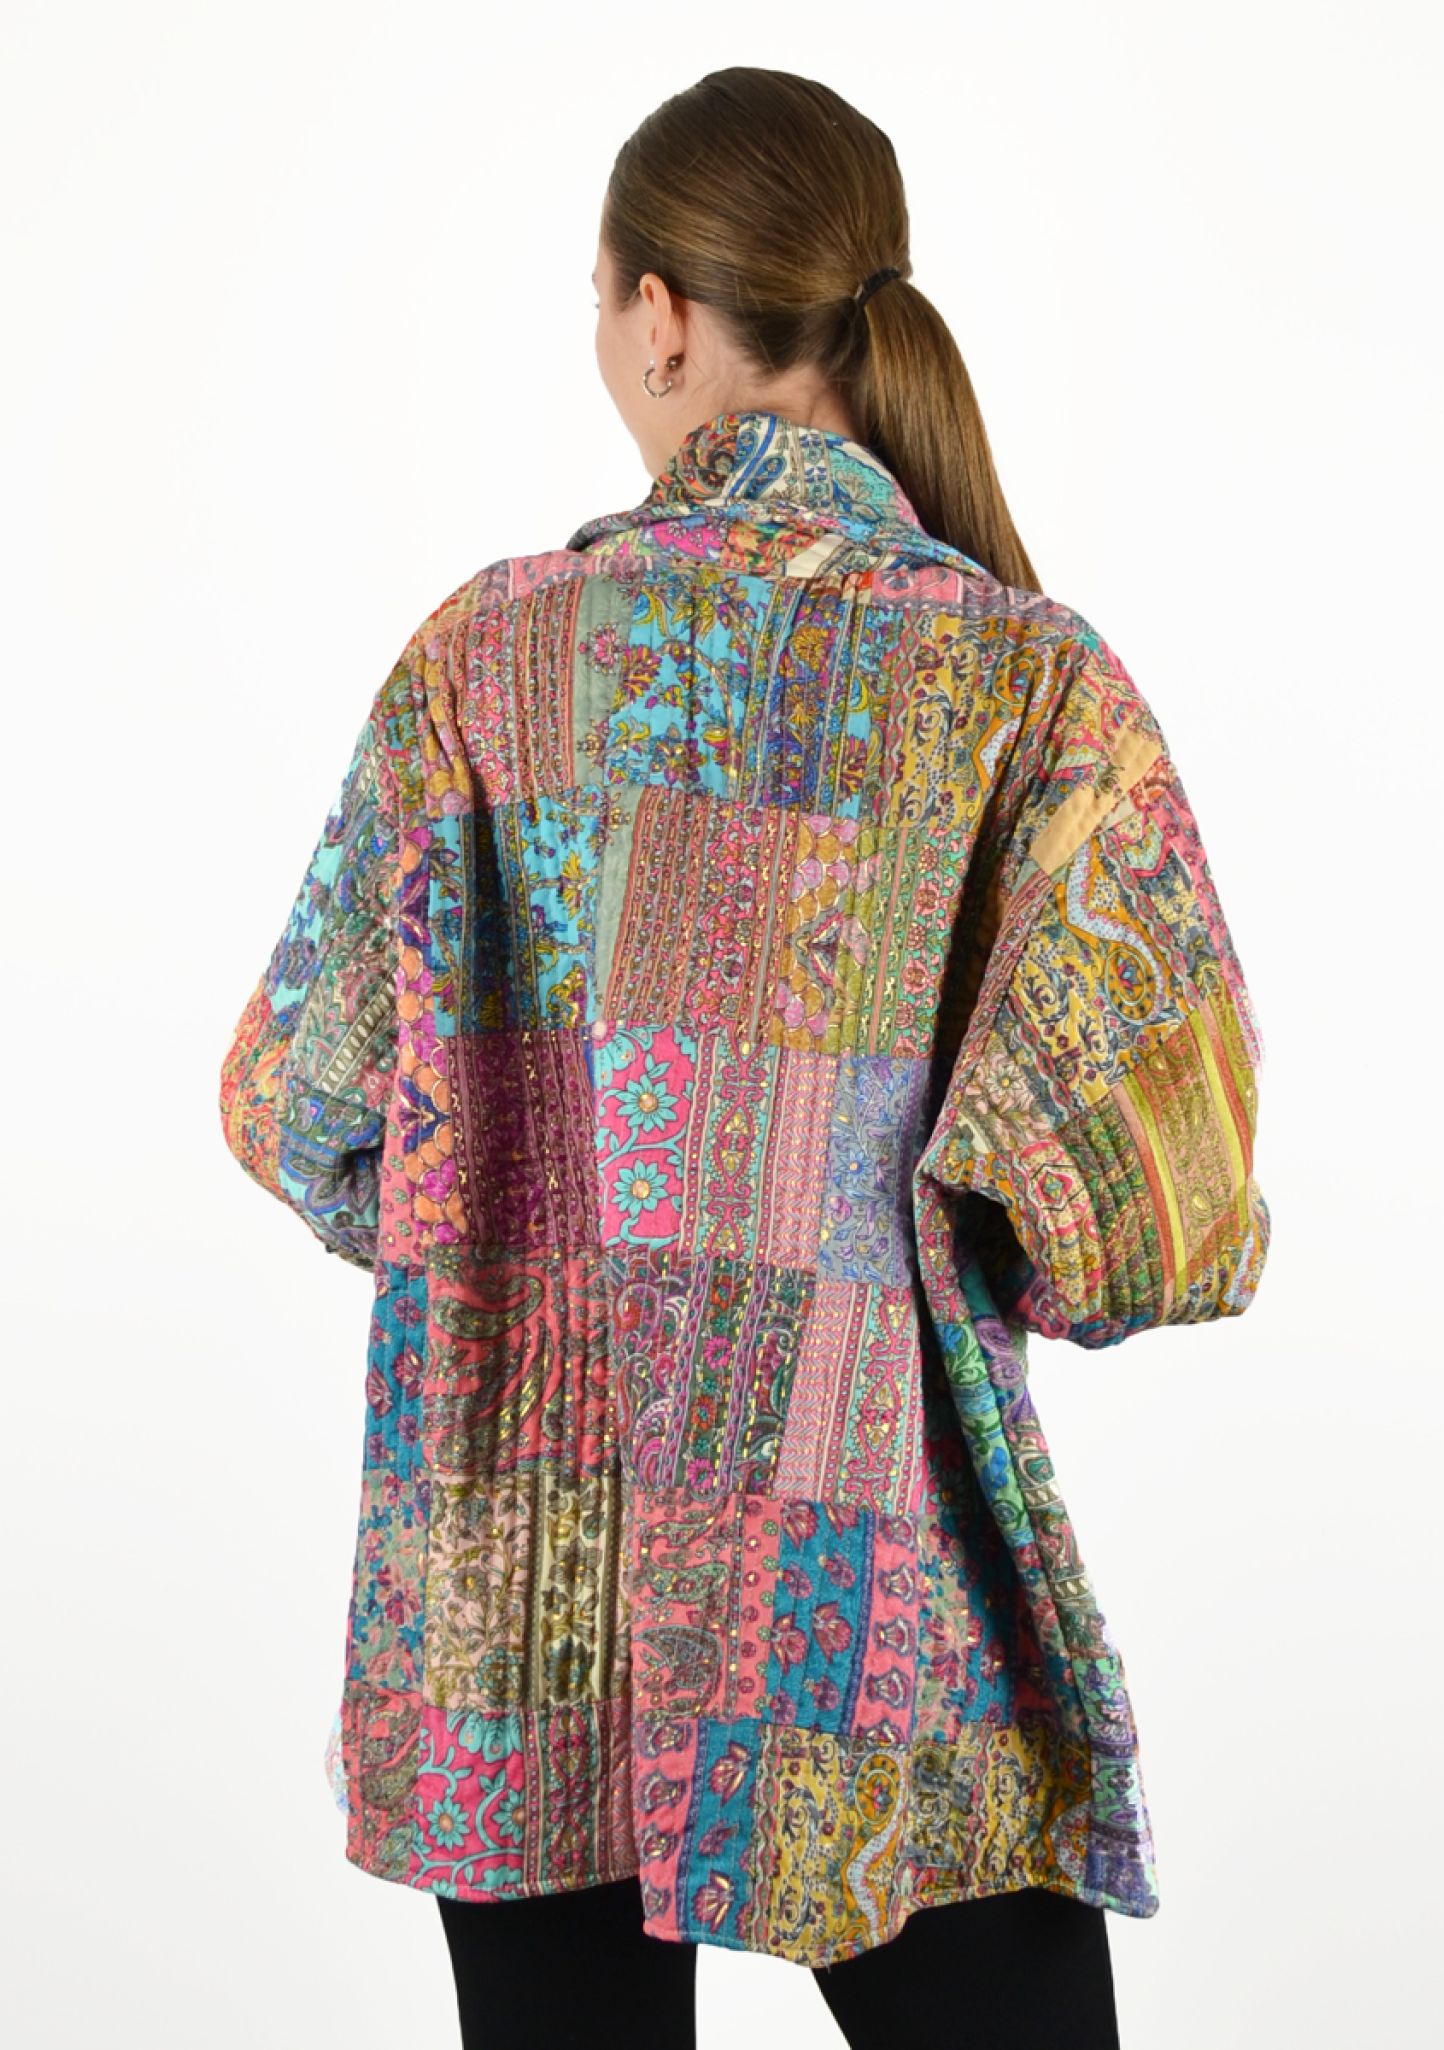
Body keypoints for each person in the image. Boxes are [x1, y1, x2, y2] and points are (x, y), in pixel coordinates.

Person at [219, 65, 1271, 2050]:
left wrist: (516, 1224)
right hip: (878, 1584)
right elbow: (1155, 1203)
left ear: (661, 318)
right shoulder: (1026, 679)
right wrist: (922, 1255)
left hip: (533, 1590)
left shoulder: (483, 666)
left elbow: (306, 1102)